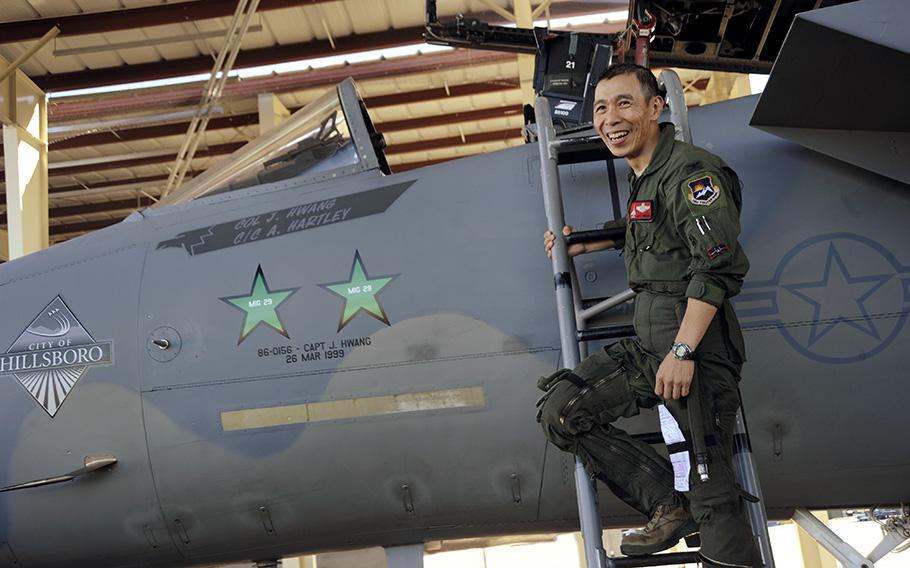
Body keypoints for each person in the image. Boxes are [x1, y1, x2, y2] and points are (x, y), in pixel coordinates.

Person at [537, 63, 760, 567]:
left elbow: (719, 265)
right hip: (648, 345)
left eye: (624, 103)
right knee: (564, 412)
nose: (610, 118)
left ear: (655, 108)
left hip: (695, 349)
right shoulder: (647, 178)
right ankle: (666, 502)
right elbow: (645, 225)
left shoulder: (691, 173)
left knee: (712, 489)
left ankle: (699, 517)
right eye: (600, 108)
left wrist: (683, 351)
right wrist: (580, 242)